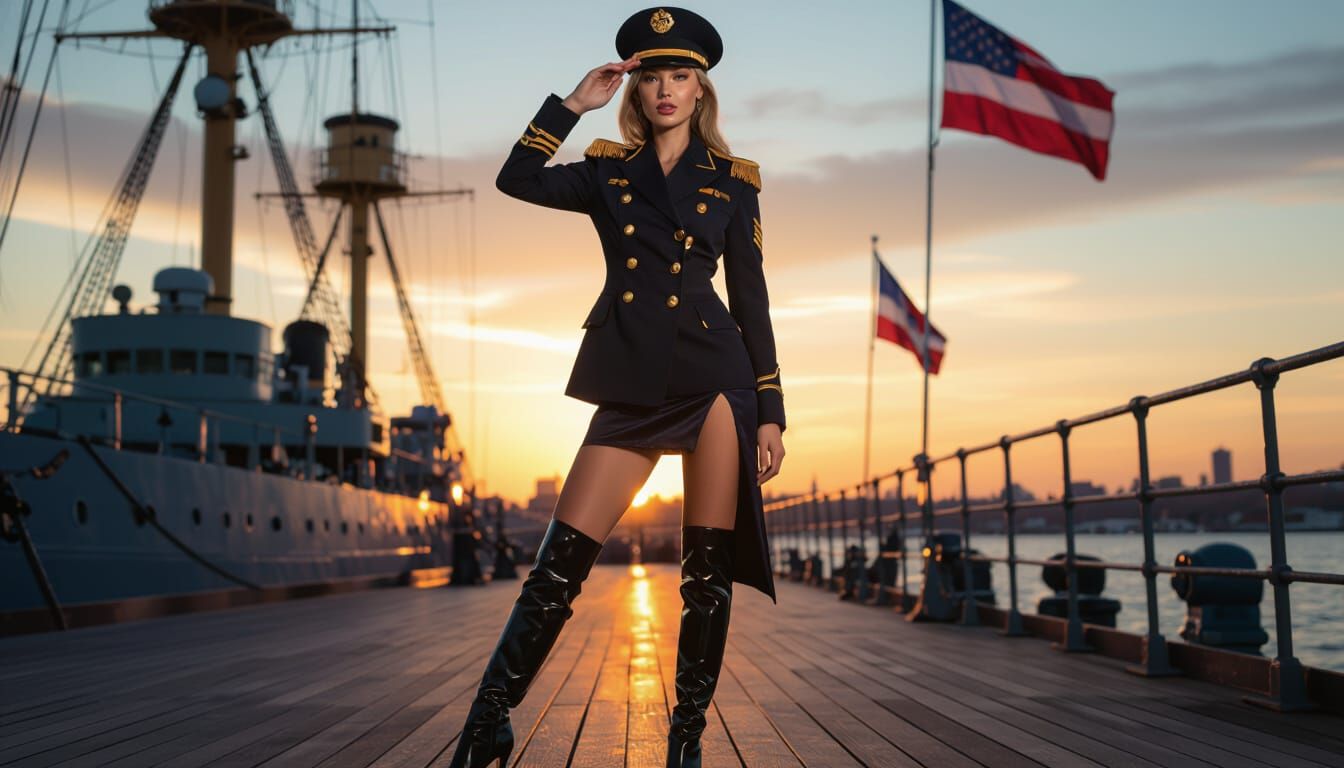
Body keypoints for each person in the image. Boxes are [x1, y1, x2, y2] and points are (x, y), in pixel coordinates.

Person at [448, 7, 786, 767]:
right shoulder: (607, 171)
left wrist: (771, 409)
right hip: (629, 383)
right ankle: (487, 721)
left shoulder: (734, 184)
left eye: (681, 76)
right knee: (556, 569)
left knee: (705, 580)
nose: (667, 89)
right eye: (654, 76)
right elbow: (516, 178)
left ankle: (686, 742)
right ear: (636, 90)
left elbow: (752, 301)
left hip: (715, 381)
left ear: (701, 91)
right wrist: (570, 106)